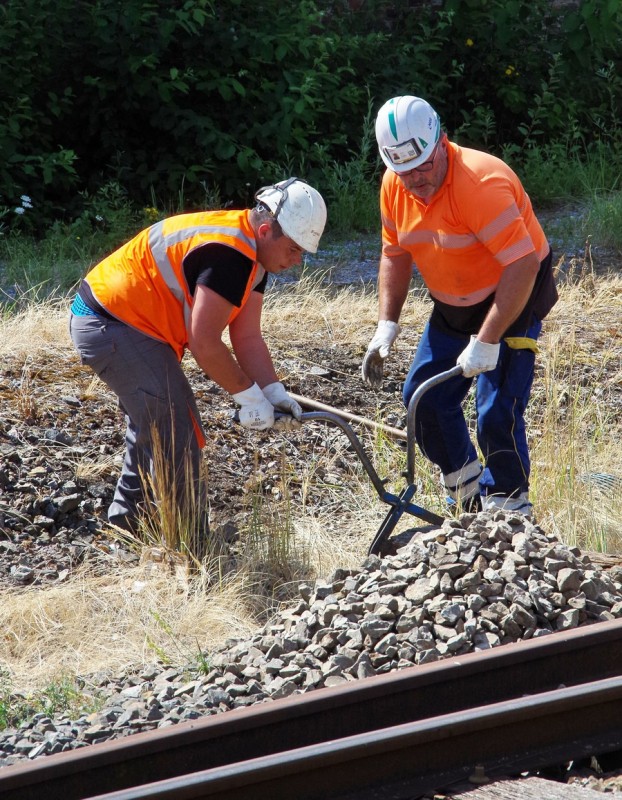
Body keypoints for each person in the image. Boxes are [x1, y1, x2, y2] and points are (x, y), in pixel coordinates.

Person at [70, 177, 327, 535]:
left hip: (125, 324)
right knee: (176, 423)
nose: (297, 261)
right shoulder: (230, 254)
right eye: (295, 249)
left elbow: (247, 335)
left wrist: (272, 391)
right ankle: (191, 545)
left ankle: (127, 524)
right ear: (267, 230)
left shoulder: (256, 255)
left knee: (156, 422)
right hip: (110, 324)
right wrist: (248, 397)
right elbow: (204, 341)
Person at [362, 96, 558, 518]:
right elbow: (394, 254)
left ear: (441, 143)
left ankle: (509, 509)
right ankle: (467, 500)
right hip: (453, 302)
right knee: (423, 400)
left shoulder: (479, 183)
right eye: (403, 171)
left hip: (515, 290)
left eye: (423, 167)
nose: (415, 180)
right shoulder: (394, 186)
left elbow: (522, 263)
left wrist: (488, 340)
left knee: (495, 409)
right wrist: (386, 326)